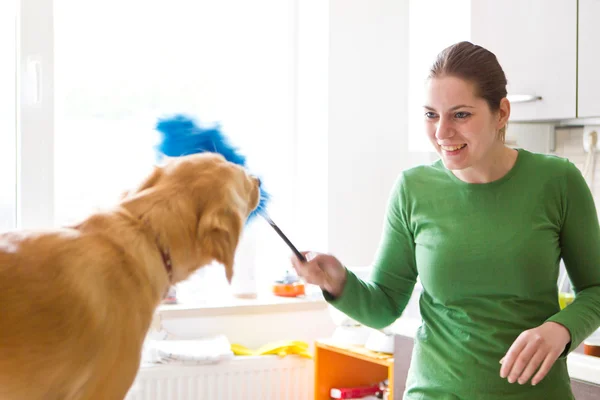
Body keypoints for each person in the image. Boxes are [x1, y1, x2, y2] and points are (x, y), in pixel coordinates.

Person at [291, 41, 600, 399]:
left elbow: (595, 290)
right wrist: (339, 282)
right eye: (431, 114)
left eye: (460, 115)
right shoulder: (413, 189)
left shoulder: (557, 181)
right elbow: (384, 306)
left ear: (501, 113)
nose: (441, 132)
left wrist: (560, 329)